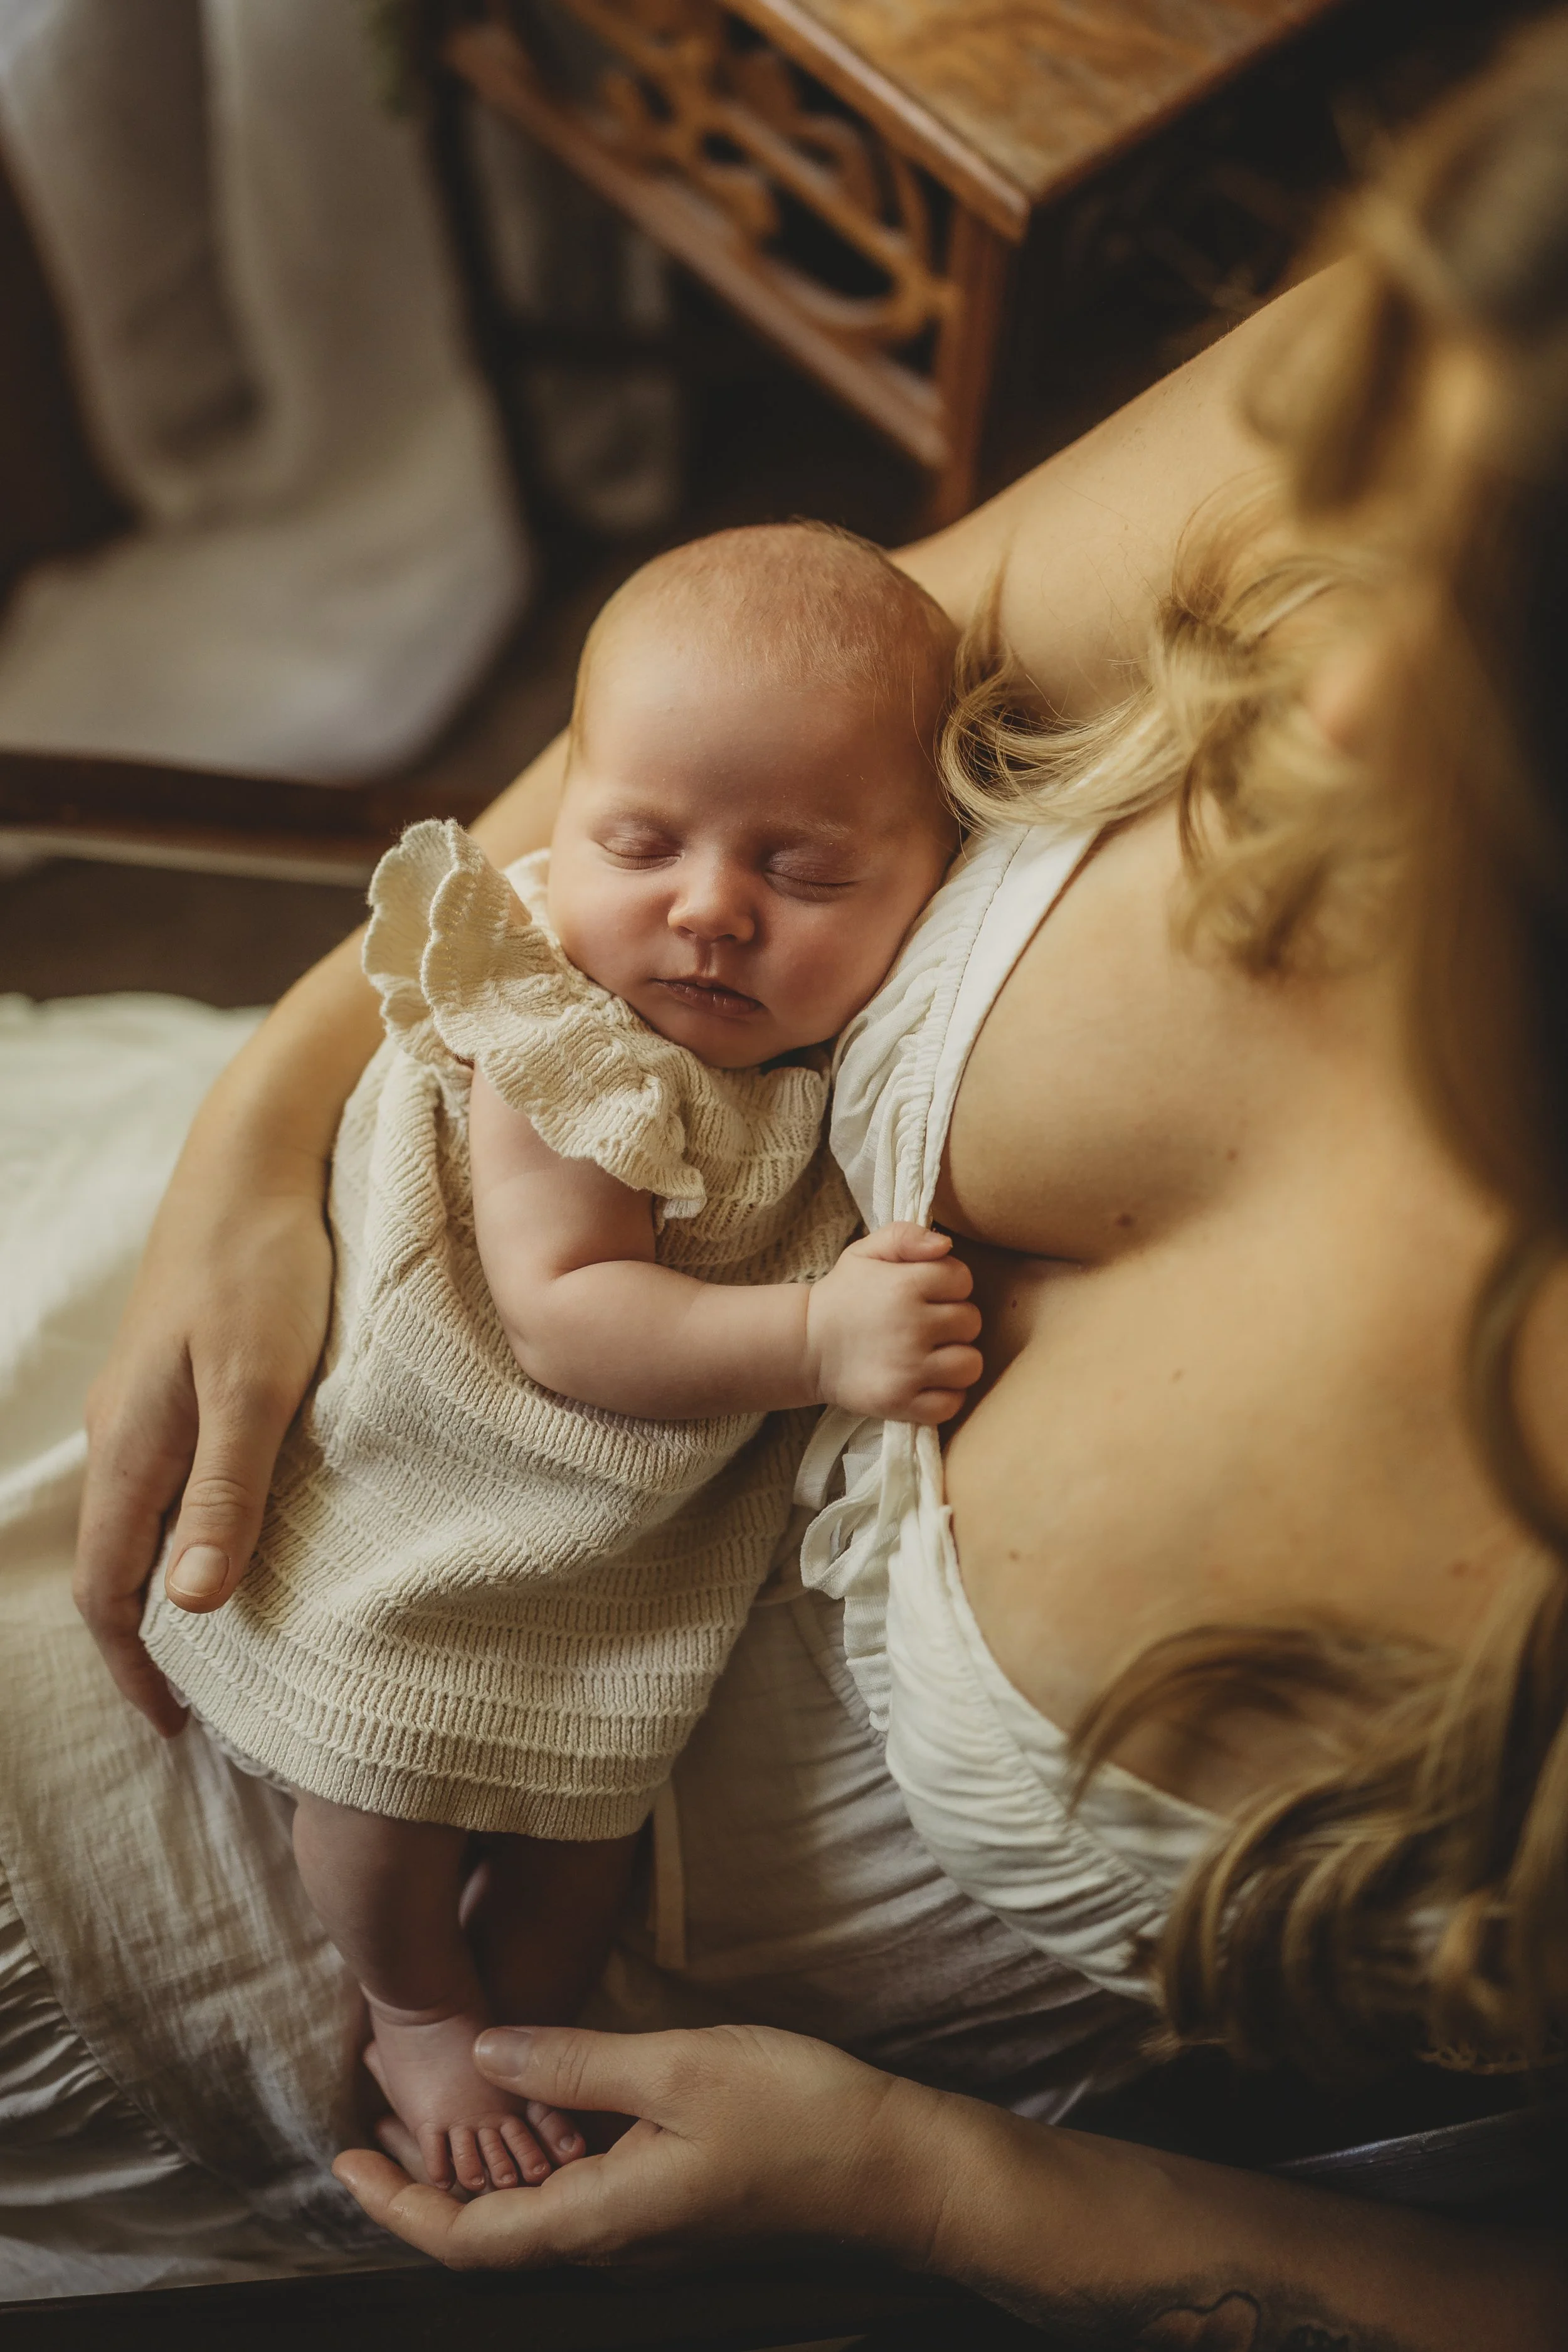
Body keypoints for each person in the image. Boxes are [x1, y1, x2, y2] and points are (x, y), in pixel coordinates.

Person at [21, 15, 1565, 2337]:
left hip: (481, 2057)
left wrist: (938, 2194)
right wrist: (259, 1141)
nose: (1319, 702)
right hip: (229, 1350)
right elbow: (752, 672)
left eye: (1490, 657)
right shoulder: (1519, 312)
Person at [139, 523, 977, 2200]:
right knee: (379, 1772)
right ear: (564, 811)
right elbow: (567, 1312)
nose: (707, 911)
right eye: (638, 838)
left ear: (936, 877)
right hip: (432, 1474)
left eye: (804, 872)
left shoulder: (817, 1042)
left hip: (614, 1530)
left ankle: (523, 2026)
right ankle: (413, 2006)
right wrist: (816, 1331)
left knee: (589, 1808)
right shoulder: (562, 1029)